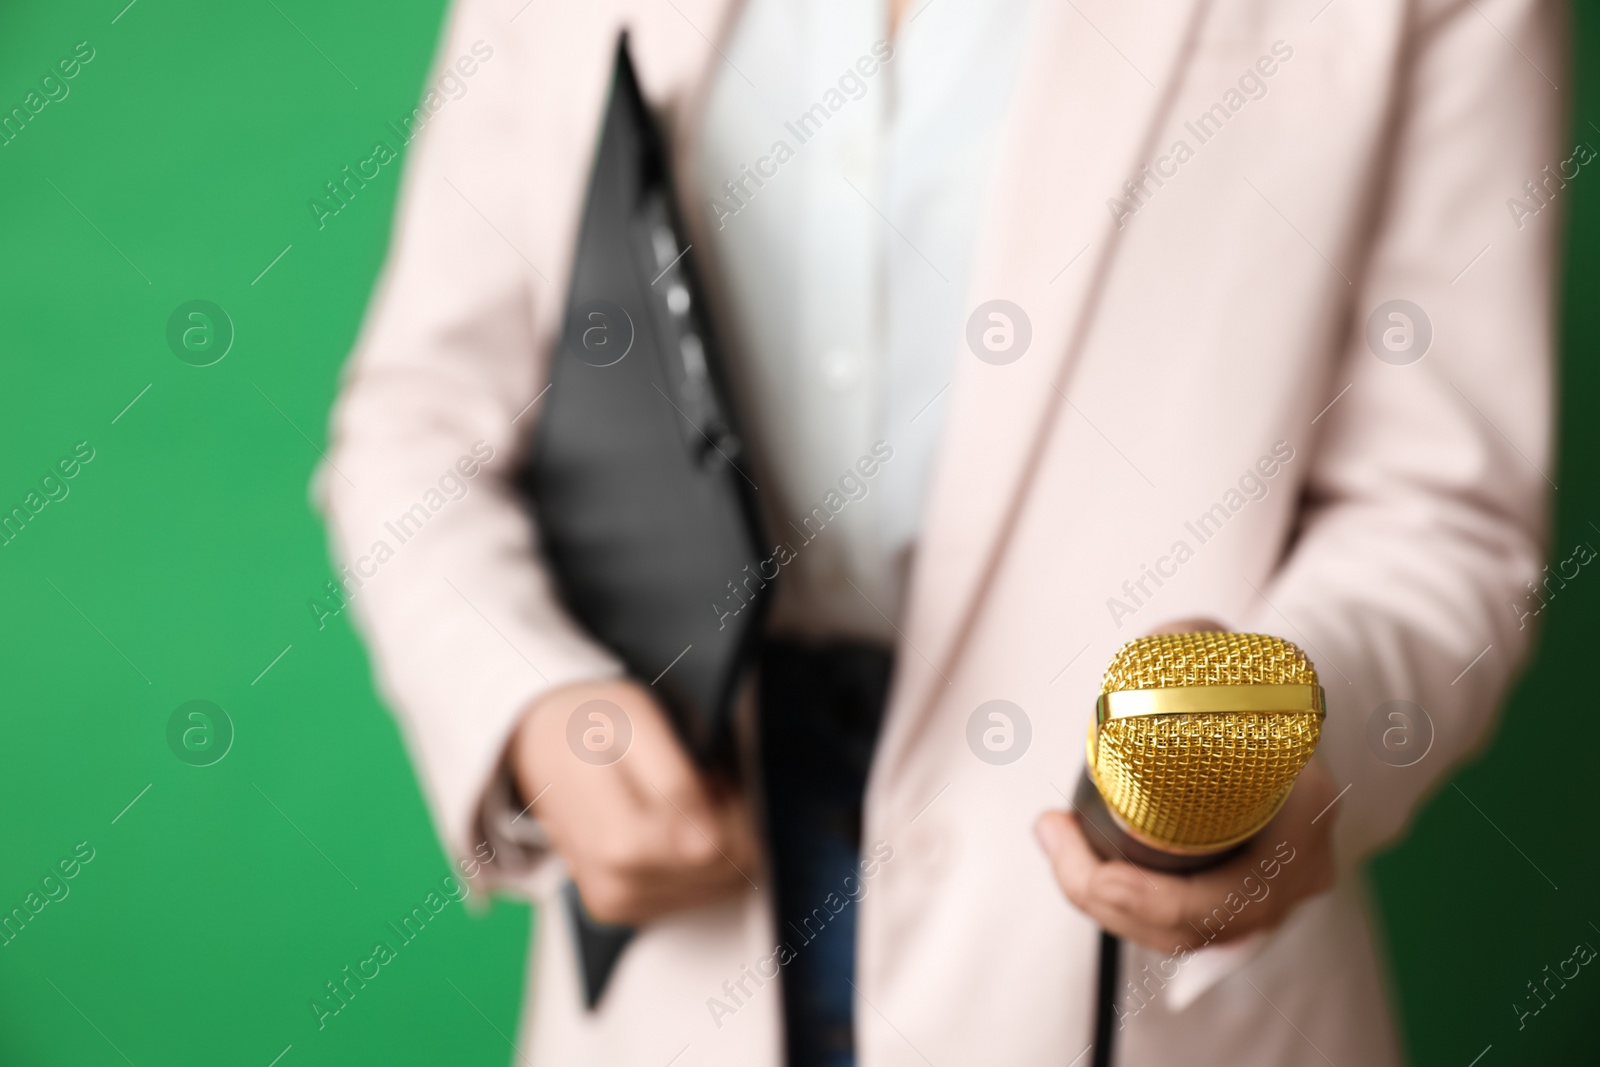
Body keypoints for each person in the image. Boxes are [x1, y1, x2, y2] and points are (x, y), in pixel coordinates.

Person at [317, 0, 1564, 1063]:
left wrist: (1281, 739)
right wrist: (537, 709)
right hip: (684, 924)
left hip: (1137, 972)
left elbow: (1438, 505)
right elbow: (417, 426)